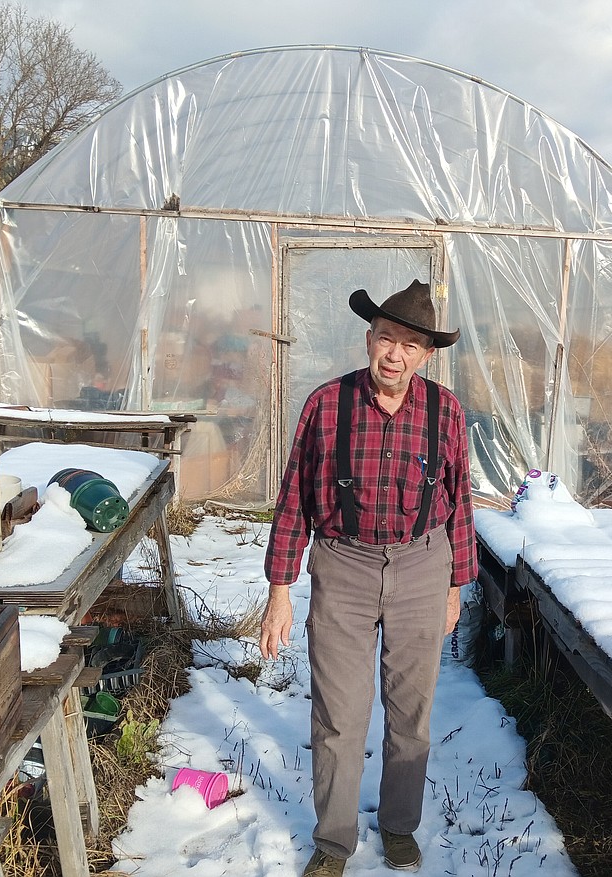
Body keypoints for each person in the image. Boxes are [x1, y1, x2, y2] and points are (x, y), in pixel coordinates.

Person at [259, 279, 478, 877]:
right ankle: (333, 844)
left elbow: (459, 503)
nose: (394, 355)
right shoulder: (325, 406)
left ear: (426, 355)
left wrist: (456, 584)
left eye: (409, 345)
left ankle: (400, 826)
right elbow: (293, 501)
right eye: (386, 339)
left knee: (411, 712)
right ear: (368, 339)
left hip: (421, 568)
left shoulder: (446, 412)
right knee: (339, 715)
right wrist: (280, 591)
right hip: (344, 568)